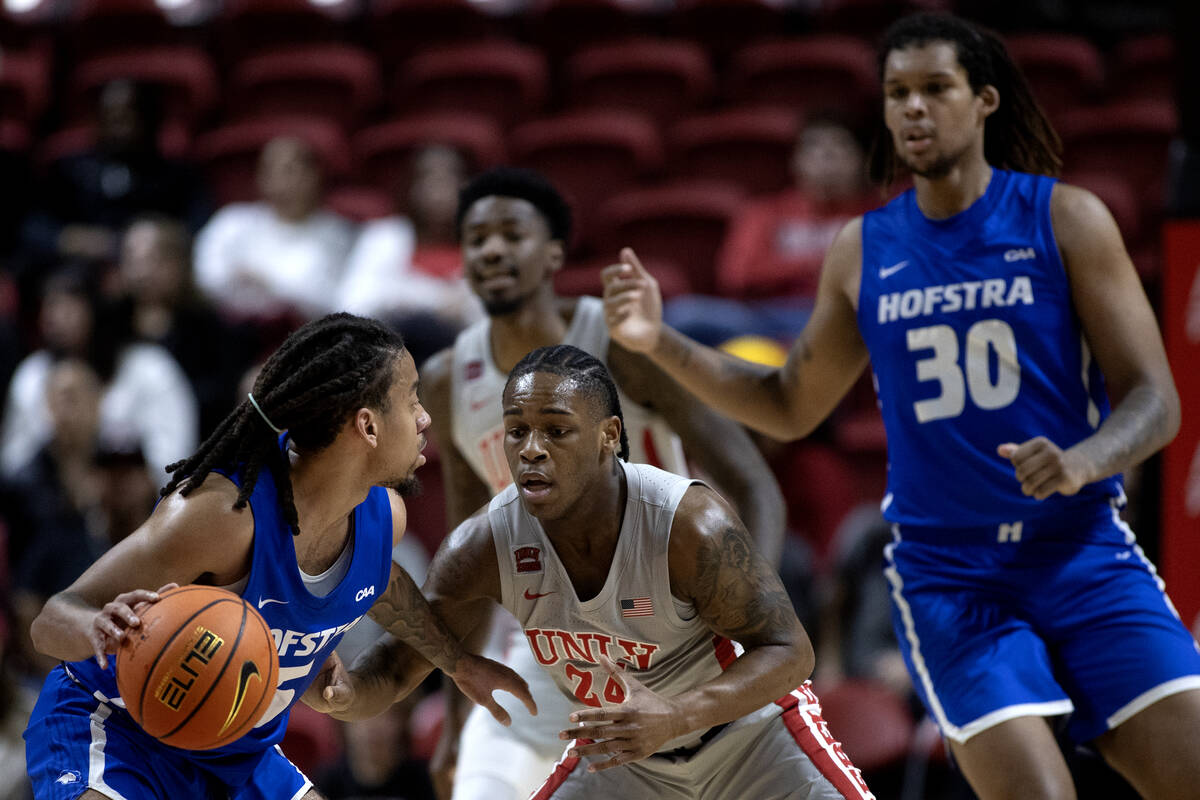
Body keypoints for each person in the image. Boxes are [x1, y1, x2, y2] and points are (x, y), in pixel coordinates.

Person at [601, 12, 1200, 800]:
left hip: (1081, 550)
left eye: (935, 89)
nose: (913, 108)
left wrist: (1085, 458)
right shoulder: (866, 248)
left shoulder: (1065, 219)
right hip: (953, 578)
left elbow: (1157, 401)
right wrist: (658, 342)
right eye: (897, 93)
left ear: (984, 101)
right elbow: (787, 404)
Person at [313, 345, 873, 799]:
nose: (531, 449)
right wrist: (342, 692)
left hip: (750, 743)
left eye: (556, 431)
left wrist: (675, 715)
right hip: (624, 763)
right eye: (516, 431)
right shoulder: (483, 544)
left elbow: (791, 652)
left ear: (608, 436)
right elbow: (396, 664)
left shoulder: (686, 523)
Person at [23, 313, 534, 800]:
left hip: (234, 751)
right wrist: (96, 631)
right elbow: (51, 618)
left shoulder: (385, 518)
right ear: (368, 426)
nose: (424, 418)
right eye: (411, 400)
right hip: (117, 729)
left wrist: (458, 663)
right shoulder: (221, 515)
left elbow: (382, 584)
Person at [419, 167, 788, 800]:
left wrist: (748, 625)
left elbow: (752, 484)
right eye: (477, 238)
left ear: (555, 253)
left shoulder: (620, 347)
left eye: (513, 233)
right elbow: (471, 562)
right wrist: (457, 724)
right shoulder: (452, 378)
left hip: (673, 634)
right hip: (551, 640)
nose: (493, 249)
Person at [0, 264, 198, 485]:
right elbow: (14, 465)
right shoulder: (33, 375)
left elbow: (174, 462)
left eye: (70, 305)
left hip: (142, 506)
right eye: (50, 306)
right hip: (49, 505)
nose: (56, 317)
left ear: (96, 308)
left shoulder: (149, 368)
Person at [194, 136, 354, 323]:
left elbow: (334, 300)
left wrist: (267, 284)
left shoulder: (337, 234)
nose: (279, 180)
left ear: (315, 176)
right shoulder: (232, 221)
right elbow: (205, 279)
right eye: (269, 170)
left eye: (290, 170)